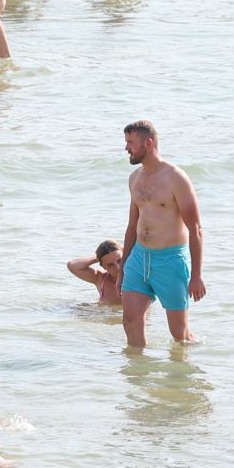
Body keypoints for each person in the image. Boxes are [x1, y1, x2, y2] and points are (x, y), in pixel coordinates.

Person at [120, 119, 206, 347]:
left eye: (130, 142)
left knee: (180, 336)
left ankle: (184, 375)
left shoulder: (176, 179)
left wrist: (196, 275)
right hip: (139, 259)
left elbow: (195, 228)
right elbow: (132, 226)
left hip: (169, 261)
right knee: (130, 321)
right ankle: (138, 378)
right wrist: (123, 266)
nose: (126, 148)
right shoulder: (134, 178)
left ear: (148, 143)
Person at [67, 240, 125, 305]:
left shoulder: (136, 275)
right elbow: (72, 265)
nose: (118, 267)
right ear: (103, 266)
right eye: (110, 264)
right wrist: (98, 257)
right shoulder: (100, 279)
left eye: (119, 260)